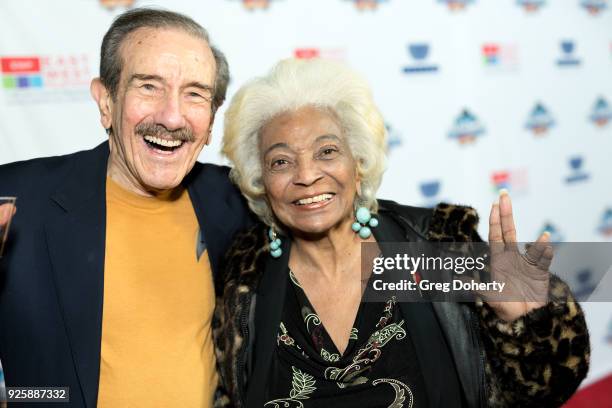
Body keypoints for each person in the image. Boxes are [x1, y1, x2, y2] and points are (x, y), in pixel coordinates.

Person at [214, 58, 590, 407]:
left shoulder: (427, 247)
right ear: (260, 180)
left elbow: (542, 389)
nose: (307, 175)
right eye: (281, 161)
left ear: (358, 162)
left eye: (327, 152)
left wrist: (524, 326)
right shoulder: (247, 275)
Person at [0, 8, 253, 407]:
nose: (172, 117)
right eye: (149, 87)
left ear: (212, 118)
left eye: (194, 94)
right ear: (105, 101)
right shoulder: (14, 201)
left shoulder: (237, 203)